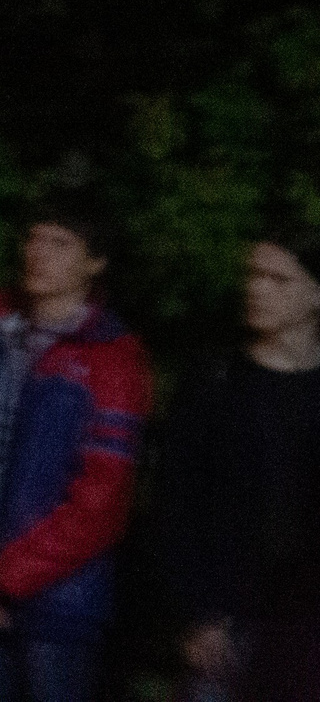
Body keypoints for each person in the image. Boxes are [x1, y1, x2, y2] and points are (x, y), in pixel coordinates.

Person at [0, 206, 151, 702]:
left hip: (59, 607)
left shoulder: (112, 358)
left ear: (96, 263)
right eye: (34, 238)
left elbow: (103, 501)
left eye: (60, 243)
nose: (39, 253)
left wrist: (3, 580)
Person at [158, 229, 320, 702]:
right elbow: (178, 503)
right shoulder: (214, 383)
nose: (257, 288)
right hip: (227, 618)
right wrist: (197, 612)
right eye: (253, 274)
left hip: (305, 623)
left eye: (277, 278)